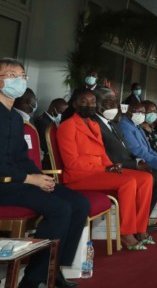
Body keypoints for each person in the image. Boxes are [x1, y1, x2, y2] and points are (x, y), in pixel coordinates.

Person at [0, 58, 90, 288]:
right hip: (5, 184)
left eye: (22, 76)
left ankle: (55, 267)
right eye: (11, 75)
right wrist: (31, 179)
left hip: (19, 180)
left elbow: (21, 157)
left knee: (79, 203)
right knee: (59, 209)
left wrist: (42, 178)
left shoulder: (13, 117)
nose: (19, 80)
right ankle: (32, 280)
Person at [57, 90, 154, 250]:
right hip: (79, 176)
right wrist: (105, 168)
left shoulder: (94, 124)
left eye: (92, 101)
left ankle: (140, 229)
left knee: (145, 178)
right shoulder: (67, 127)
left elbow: (102, 152)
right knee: (128, 182)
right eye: (84, 101)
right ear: (74, 104)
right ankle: (126, 233)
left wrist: (112, 166)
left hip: (99, 171)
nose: (89, 105)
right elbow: (71, 163)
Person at [93, 88, 157, 224]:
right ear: (98, 104)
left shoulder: (112, 124)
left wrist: (138, 161)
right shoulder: (95, 124)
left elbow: (126, 149)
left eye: (116, 103)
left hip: (127, 161)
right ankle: (136, 223)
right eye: (109, 102)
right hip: (114, 166)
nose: (115, 107)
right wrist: (136, 164)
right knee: (156, 176)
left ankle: (141, 221)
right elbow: (109, 155)